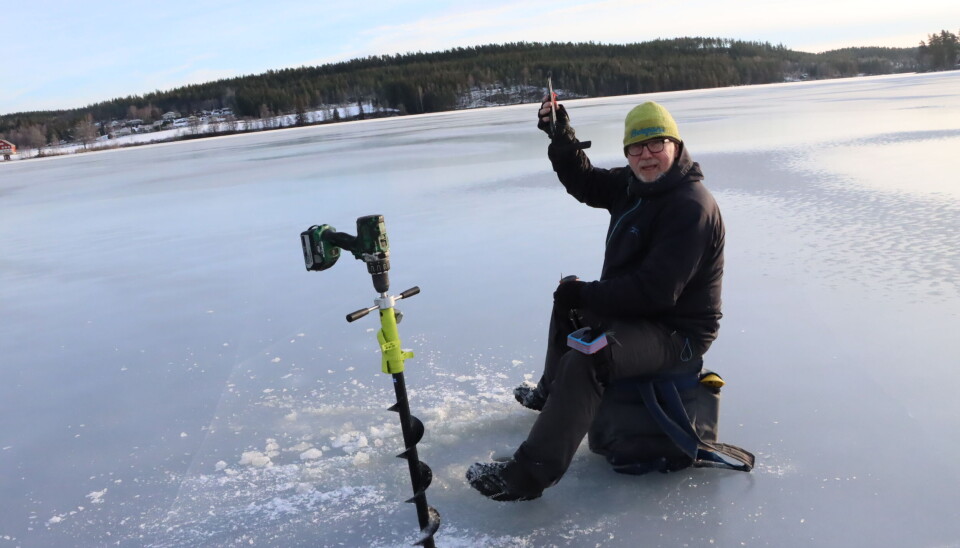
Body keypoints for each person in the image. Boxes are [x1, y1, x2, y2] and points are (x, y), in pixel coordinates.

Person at [466, 99, 726, 501]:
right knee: (568, 300)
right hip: (643, 314)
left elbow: (655, 293)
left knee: (592, 356)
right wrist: (561, 137)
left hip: (677, 333)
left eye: (656, 143)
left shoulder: (690, 206)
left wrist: (588, 293)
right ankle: (550, 394)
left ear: (675, 145)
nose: (646, 155)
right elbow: (585, 182)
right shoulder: (634, 186)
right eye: (635, 147)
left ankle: (527, 477)